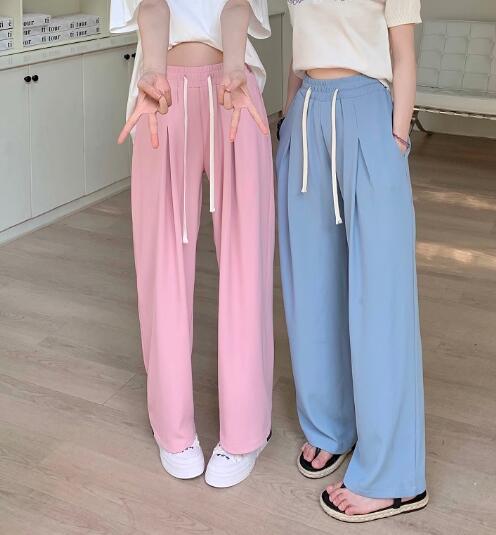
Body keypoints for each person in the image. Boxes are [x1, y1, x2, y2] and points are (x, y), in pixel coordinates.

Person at [110, 0, 274, 488]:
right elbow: (151, 6)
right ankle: (173, 428)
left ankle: (245, 432)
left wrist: (232, 67)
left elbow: (239, 6)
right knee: (161, 261)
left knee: (246, 259)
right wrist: (154, 70)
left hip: (233, 90)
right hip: (162, 95)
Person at [276, 0, 428, 522]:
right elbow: (298, 50)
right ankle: (330, 426)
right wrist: (287, 120)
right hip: (306, 112)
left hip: (368, 113)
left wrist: (398, 139)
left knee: (380, 296)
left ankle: (393, 476)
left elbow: (403, 56)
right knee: (312, 284)